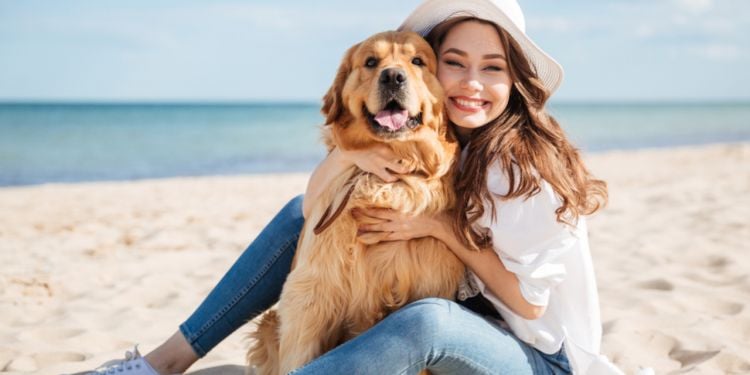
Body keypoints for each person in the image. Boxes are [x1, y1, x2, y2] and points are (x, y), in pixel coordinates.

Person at [85, 0, 624, 374]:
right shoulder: (456, 146)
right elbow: (313, 209)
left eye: (492, 68)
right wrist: (349, 150)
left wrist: (441, 228)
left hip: (539, 359)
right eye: (453, 63)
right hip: (479, 330)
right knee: (300, 214)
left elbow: (529, 308)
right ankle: (166, 360)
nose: (471, 82)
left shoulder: (520, 168)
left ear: (516, 82)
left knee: (428, 319)